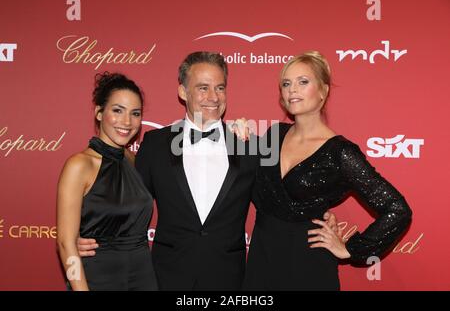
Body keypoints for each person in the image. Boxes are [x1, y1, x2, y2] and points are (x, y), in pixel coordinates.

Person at [77, 52, 338, 290]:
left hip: (229, 279)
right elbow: (129, 202)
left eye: (220, 87)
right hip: (166, 277)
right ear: (182, 91)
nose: (213, 97)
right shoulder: (155, 144)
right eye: (203, 88)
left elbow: (278, 201)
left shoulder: (250, 146)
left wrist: (315, 212)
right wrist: (88, 237)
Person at [243, 51, 413, 290]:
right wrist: (240, 142)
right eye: (286, 83)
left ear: (323, 91)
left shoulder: (340, 152)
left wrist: (351, 249)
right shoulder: (273, 135)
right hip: (263, 259)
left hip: (308, 264)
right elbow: (242, 183)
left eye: (303, 82)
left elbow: (397, 209)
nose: (292, 90)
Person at [56, 72, 158, 291]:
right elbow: (66, 244)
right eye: (117, 110)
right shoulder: (79, 165)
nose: (127, 122)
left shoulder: (133, 161)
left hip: (143, 277)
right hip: (98, 278)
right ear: (99, 113)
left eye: (135, 113)